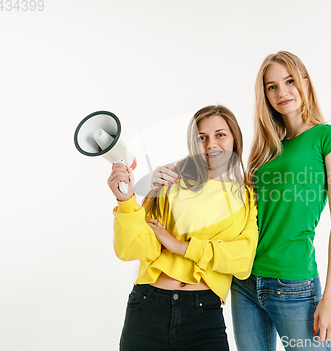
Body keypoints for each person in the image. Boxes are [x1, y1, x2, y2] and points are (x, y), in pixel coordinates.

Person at [152, 51, 331, 351]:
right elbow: (226, 196)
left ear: (306, 83)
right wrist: (168, 175)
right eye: (271, 86)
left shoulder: (329, 138)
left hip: (293, 283)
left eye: (289, 81)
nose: (282, 92)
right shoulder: (266, 149)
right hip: (244, 283)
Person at [108, 105, 258, 351]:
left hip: (204, 316)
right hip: (148, 307)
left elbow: (242, 262)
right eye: (202, 137)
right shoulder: (170, 182)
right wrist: (126, 202)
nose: (211, 145)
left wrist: (181, 247)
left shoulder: (248, 197)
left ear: (235, 140)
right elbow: (129, 249)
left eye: (220, 135)